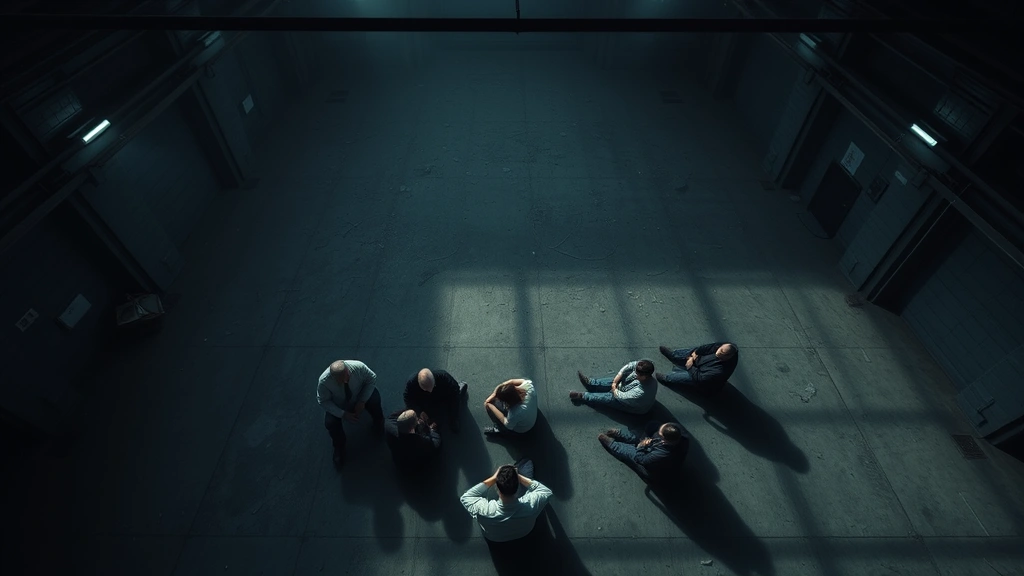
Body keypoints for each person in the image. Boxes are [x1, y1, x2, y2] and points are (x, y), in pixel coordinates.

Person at [460, 459, 552, 542]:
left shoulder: (484, 510)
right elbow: (546, 491)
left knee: (477, 494)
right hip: (524, 532)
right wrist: (518, 476)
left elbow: (466, 497)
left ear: (497, 488)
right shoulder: (531, 505)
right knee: (528, 466)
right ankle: (521, 475)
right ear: (517, 487)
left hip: (493, 537)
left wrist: (494, 478)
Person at [316, 359, 384, 468]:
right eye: (341, 380)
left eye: (347, 377)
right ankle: (339, 447)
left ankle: (379, 423)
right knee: (330, 423)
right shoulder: (324, 382)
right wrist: (342, 414)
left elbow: (371, 378)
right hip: (339, 404)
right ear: (333, 378)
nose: (345, 381)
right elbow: (324, 401)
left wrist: (362, 401)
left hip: (359, 396)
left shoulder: (358, 367)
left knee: (374, 400)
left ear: (348, 370)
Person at [598, 422, 689, 483]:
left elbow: (641, 459)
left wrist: (641, 446)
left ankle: (613, 445)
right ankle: (625, 436)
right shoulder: (677, 430)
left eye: (660, 434)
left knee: (632, 452)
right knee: (641, 437)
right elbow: (653, 426)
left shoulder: (663, 454)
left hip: (652, 470)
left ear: (664, 440)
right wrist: (644, 439)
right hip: (655, 446)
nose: (658, 432)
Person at [569, 359, 658, 414]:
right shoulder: (643, 368)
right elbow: (631, 365)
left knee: (610, 398)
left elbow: (621, 396)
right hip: (626, 388)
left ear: (644, 376)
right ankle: (591, 383)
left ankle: (583, 396)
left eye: (637, 374)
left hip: (630, 404)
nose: (635, 374)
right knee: (617, 379)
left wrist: (614, 389)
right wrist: (617, 379)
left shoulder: (642, 391)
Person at [656, 342, 739, 393]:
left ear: (729, 356)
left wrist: (690, 365)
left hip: (702, 378)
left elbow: (699, 378)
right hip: (701, 363)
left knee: (682, 377)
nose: (717, 354)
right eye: (719, 350)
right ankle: (674, 355)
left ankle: (667, 379)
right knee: (693, 350)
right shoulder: (727, 347)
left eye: (721, 355)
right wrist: (696, 352)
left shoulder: (720, 371)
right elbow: (709, 347)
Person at [403, 368, 468, 433]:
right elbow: (408, 399)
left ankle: (453, 419)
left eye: (432, 387)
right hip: (425, 401)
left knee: (455, 400)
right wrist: (419, 411)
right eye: (426, 389)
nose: (430, 391)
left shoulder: (444, 376)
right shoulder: (411, 384)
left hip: (442, 396)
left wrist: (454, 414)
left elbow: (455, 391)